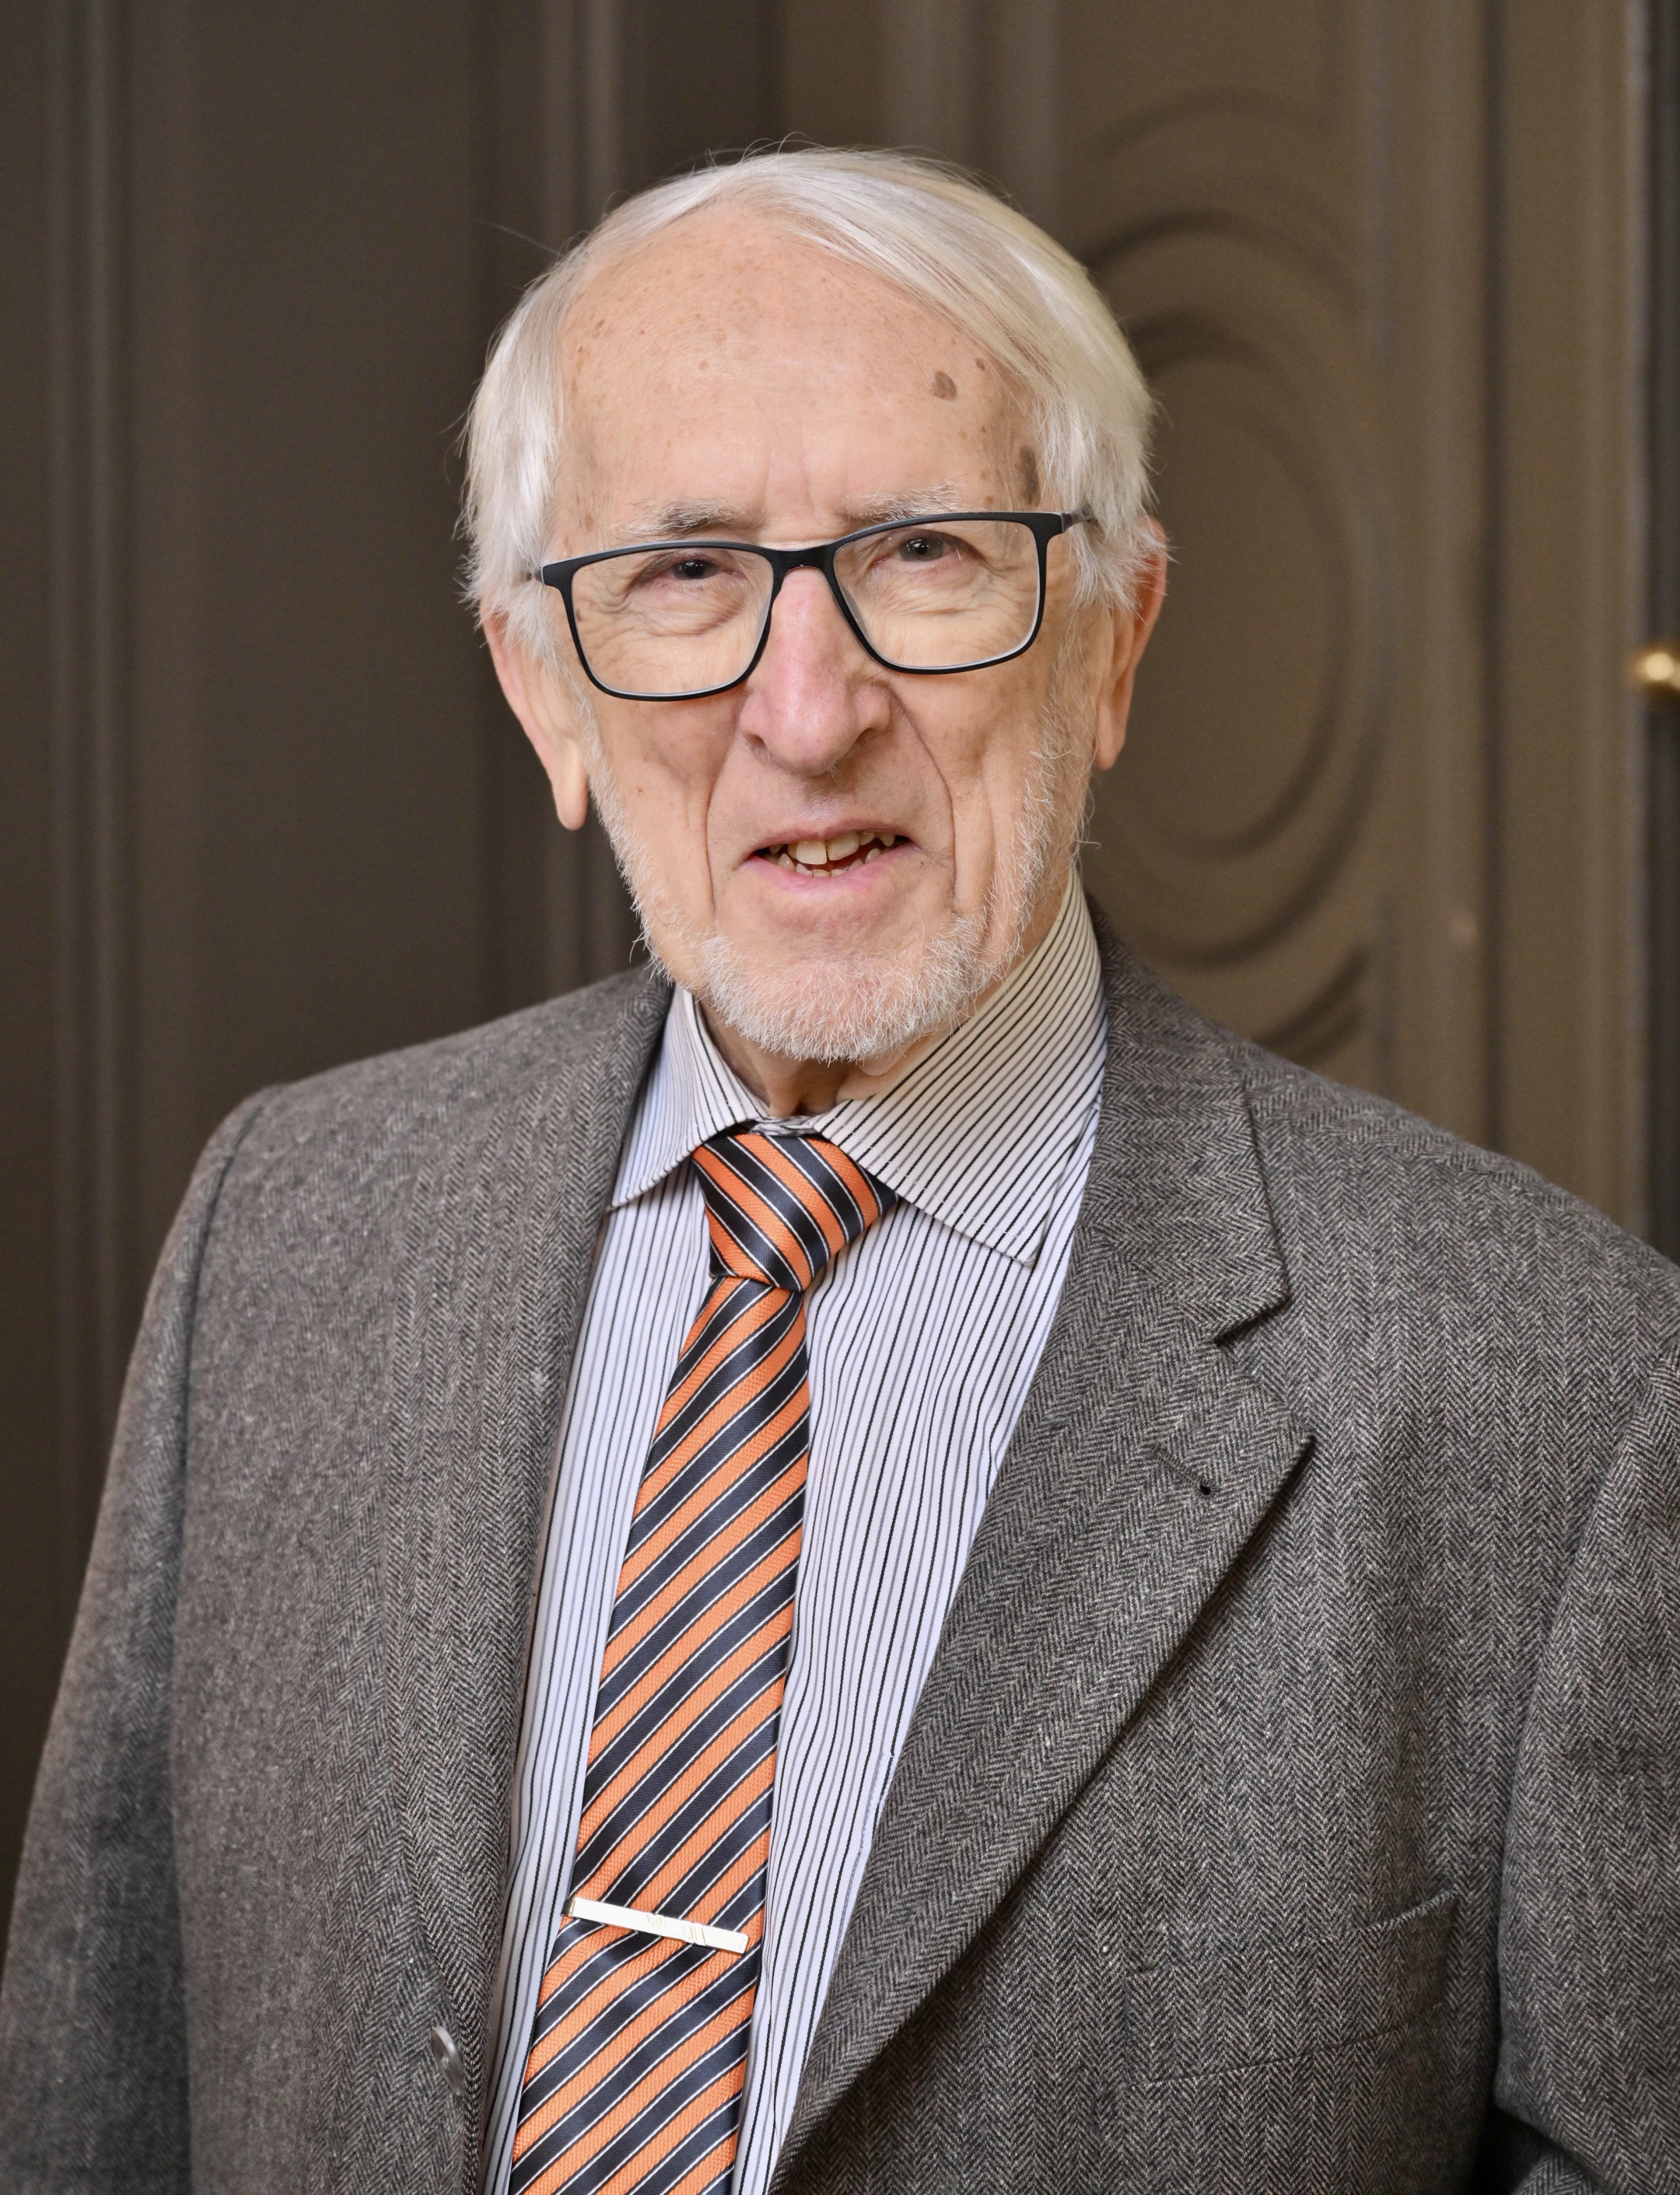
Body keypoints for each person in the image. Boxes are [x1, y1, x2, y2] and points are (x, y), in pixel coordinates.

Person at [1, 149, 1675, 2195]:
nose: (808, 714)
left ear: (1114, 639)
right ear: (543, 689)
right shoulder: (292, 1230)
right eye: (683, 576)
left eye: (928, 552)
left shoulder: (1557, 1385)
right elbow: (96, 2093)